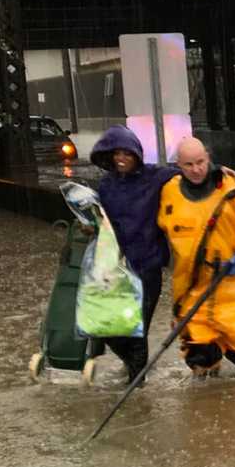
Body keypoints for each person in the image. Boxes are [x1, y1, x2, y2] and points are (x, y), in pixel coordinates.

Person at [157, 138, 235, 377]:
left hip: (234, 286)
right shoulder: (169, 191)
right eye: (189, 164)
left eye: (200, 162)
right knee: (199, 358)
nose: (196, 169)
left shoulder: (233, 188)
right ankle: (205, 402)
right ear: (178, 164)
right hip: (192, 289)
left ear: (208, 158)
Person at [89, 125, 179, 383]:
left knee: (136, 328)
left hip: (148, 267)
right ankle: (133, 368)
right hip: (117, 268)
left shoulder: (155, 177)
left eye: (126, 154)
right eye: (116, 153)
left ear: (136, 155)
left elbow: (190, 170)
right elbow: (102, 222)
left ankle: (137, 382)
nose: (121, 159)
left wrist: (220, 171)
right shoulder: (106, 186)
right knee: (106, 326)